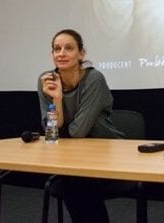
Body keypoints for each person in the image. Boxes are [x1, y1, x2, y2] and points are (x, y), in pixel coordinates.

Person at [37, 29, 123, 222]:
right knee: (74, 181)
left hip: (106, 155)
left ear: (81, 54)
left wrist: (60, 131)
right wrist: (57, 99)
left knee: (75, 183)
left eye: (69, 48)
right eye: (57, 49)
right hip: (72, 159)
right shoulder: (47, 80)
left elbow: (78, 132)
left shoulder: (94, 79)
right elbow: (51, 133)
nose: (61, 53)